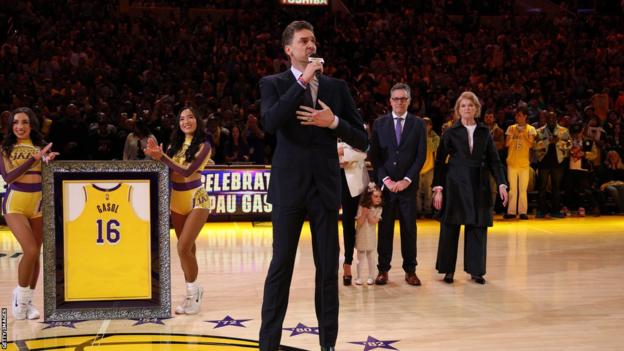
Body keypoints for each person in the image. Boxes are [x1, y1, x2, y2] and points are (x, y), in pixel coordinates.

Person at [258, 20, 368, 351]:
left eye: (313, 41)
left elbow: (362, 139)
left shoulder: (337, 87)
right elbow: (271, 122)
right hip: (289, 188)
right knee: (281, 267)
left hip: (324, 189)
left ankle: (328, 345)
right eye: (304, 41)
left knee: (327, 272)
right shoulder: (273, 83)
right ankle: (268, 345)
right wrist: (302, 81)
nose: (311, 46)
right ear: (288, 49)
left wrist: (332, 122)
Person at [432, 92, 508, 285]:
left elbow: (494, 161)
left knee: (478, 226)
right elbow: (440, 161)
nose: (467, 109)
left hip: (479, 184)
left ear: (476, 109)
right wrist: (438, 188)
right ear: (458, 110)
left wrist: (501, 183)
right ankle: (448, 270)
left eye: (470, 105)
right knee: (450, 227)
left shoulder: (485, 132)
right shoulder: (450, 132)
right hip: (454, 183)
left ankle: (476, 271)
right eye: (463, 106)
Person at [144, 107, 211, 315]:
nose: (186, 121)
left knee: (182, 248)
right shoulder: (175, 145)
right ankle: (192, 293)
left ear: (198, 120)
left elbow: (187, 171)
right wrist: (156, 158)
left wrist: (162, 157)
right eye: (182, 118)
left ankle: (194, 292)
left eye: (190, 117)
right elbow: (168, 170)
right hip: (176, 201)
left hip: (197, 199)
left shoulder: (204, 145)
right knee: (188, 250)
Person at [1, 107, 58, 319]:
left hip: (38, 205)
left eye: (24, 122)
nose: (20, 126)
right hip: (15, 204)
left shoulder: (41, 147)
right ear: (11, 126)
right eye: (16, 122)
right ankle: (19, 295)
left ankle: (27, 302)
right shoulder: (5, 148)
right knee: (31, 251)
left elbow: (47, 174)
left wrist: (48, 162)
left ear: (31, 125)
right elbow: (8, 177)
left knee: (36, 256)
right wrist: (33, 159)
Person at [370, 83, 426, 286]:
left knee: (409, 230)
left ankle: (410, 270)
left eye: (403, 98)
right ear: (390, 101)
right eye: (396, 98)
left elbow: (420, 156)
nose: (399, 102)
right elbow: (375, 156)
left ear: (409, 101)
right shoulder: (379, 123)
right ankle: (382, 270)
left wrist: (406, 180)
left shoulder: (419, 124)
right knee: (384, 230)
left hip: (408, 188)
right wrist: (386, 180)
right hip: (386, 188)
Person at [338, 140, 369, 286]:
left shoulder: (356, 125)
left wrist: (343, 154)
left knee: (348, 225)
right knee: (328, 227)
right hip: (328, 178)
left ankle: (348, 264)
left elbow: (364, 151)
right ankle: (330, 266)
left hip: (353, 184)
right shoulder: (321, 122)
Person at [534, 111, 571, 218]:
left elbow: (569, 144)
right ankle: (542, 210)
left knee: (556, 188)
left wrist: (558, 142)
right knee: (542, 187)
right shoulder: (539, 131)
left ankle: (555, 210)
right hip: (543, 162)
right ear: (546, 119)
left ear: (556, 119)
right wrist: (548, 141)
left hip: (558, 162)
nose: (551, 120)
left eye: (553, 118)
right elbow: (534, 145)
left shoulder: (564, 131)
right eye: (549, 118)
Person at [504, 106, 537, 219]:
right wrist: (514, 135)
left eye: (520, 115)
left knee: (523, 189)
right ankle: (511, 211)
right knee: (513, 189)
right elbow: (506, 144)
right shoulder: (511, 128)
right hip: (512, 162)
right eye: (517, 115)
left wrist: (523, 135)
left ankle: (523, 211)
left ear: (525, 116)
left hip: (524, 164)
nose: (517, 117)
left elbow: (532, 144)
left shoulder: (531, 129)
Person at [354, 183, 382, 285]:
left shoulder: (378, 209)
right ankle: (359, 277)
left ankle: (371, 276)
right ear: (368, 197)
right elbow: (359, 223)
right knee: (360, 257)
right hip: (361, 236)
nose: (379, 199)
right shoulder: (361, 207)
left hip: (370, 236)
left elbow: (373, 222)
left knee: (371, 257)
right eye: (376, 196)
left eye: (380, 196)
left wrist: (368, 214)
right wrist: (363, 213)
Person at [417, 117, 439, 218]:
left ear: (430, 126)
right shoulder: (414, 135)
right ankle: (417, 211)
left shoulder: (435, 138)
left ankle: (428, 211)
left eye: (426, 125)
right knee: (416, 191)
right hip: (417, 168)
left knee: (428, 192)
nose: (424, 127)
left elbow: (432, 147)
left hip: (429, 168)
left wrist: (424, 136)